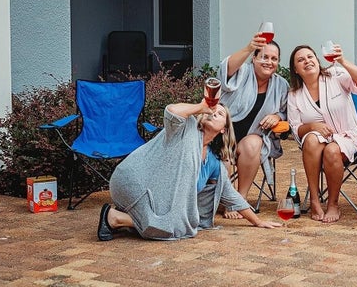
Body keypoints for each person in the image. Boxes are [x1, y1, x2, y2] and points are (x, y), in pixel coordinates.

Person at [97, 99, 281, 241]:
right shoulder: (186, 128)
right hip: (132, 179)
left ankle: (123, 218)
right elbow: (171, 111)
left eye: (220, 113)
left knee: (181, 224)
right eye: (212, 110)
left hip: (153, 195)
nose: (214, 112)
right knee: (178, 224)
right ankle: (114, 217)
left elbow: (230, 195)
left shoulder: (213, 162)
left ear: (224, 129)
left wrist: (257, 222)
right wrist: (201, 106)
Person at [287, 44, 357, 223]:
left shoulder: (335, 76)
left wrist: (341, 61)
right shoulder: (295, 94)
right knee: (309, 139)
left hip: (349, 136)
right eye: (300, 60)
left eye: (310, 57)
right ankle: (315, 201)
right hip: (317, 140)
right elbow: (295, 129)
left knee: (332, 150)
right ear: (296, 69)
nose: (307, 61)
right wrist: (312, 126)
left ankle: (333, 203)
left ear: (317, 60)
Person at [218, 33, 289, 219]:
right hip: (222, 134)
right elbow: (225, 70)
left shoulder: (281, 85)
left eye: (274, 59)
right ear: (254, 58)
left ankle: (239, 200)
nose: (269, 62)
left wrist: (277, 116)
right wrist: (249, 46)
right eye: (264, 57)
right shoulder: (242, 72)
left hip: (250, 139)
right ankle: (224, 198)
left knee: (253, 144)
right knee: (223, 154)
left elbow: (287, 113)